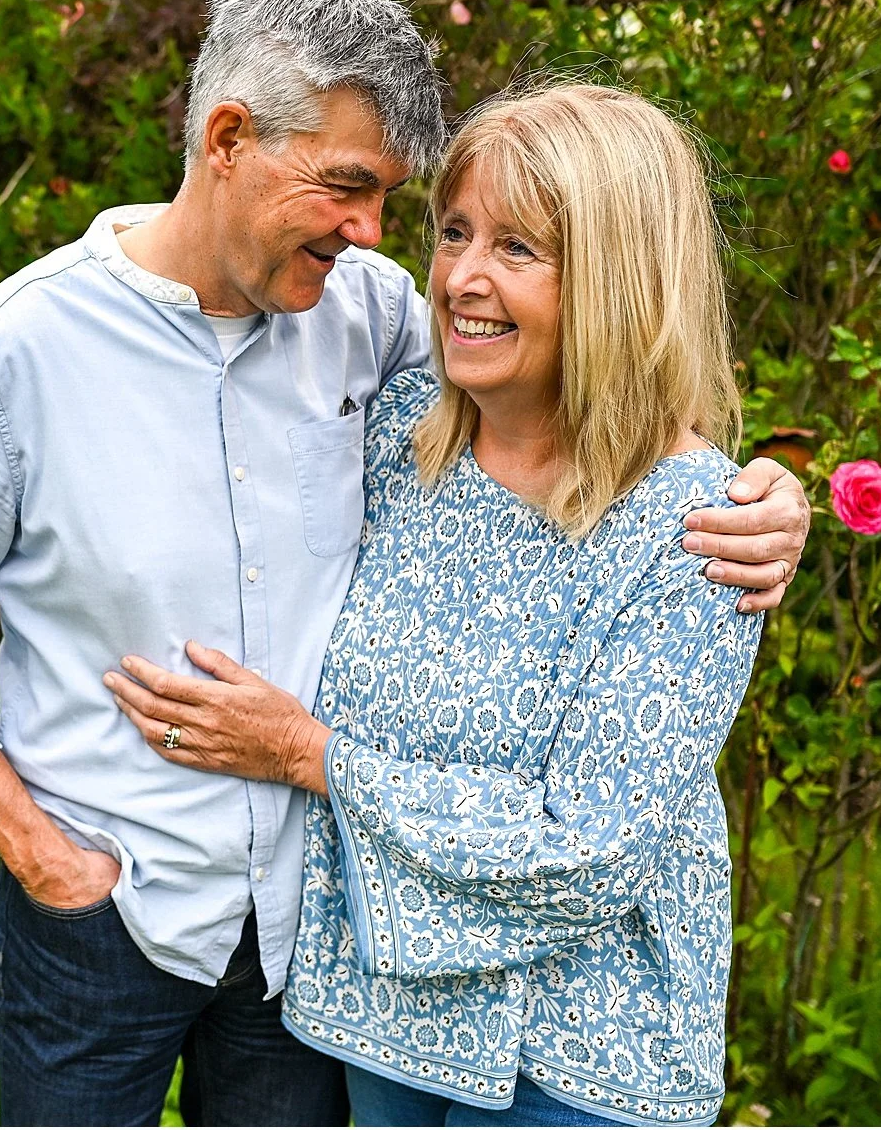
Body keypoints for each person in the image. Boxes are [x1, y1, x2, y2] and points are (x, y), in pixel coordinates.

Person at [0, 0, 808, 1128]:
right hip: (105, 910)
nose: (374, 237)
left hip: (304, 931)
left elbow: (581, 382)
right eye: (348, 188)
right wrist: (49, 865)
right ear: (227, 138)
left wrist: (755, 493)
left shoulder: (371, 317)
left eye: (392, 202)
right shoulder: (11, 354)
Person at [105, 82, 767, 1126]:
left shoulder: (696, 532)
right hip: (385, 1023)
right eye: (454, 232)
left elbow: (587, 850)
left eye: (517, 247)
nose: (460, 278)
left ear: (618, 277)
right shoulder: (400, 433)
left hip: (578, 1058)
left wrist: (309, 756)